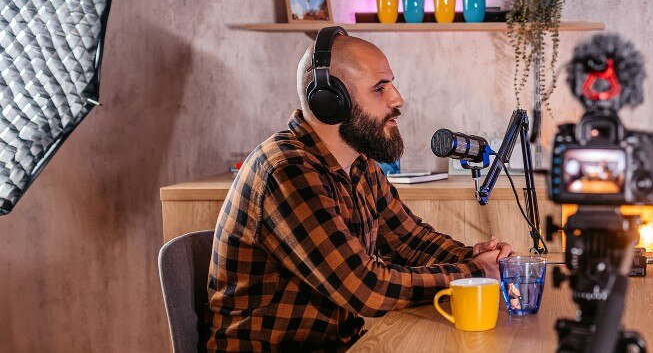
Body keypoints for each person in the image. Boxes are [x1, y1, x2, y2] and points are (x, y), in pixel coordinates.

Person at [205, 28, 513, 351]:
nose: (397, 99)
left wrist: (475, 257)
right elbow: (367, 287)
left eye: (391, 84)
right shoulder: (286, 173)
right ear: (329, 101)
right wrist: (474, 272)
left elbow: (410, 240)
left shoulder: (359, 164)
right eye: (380, 88)